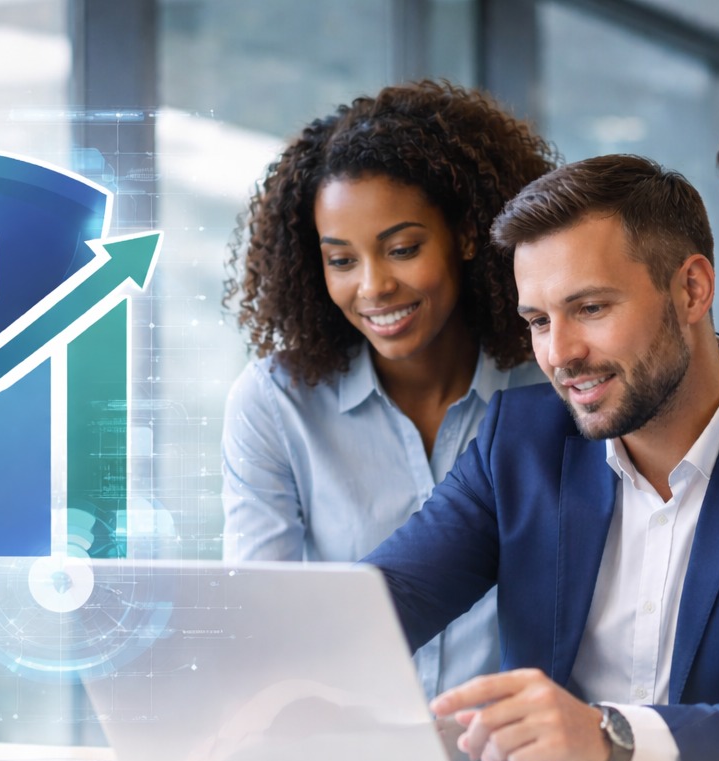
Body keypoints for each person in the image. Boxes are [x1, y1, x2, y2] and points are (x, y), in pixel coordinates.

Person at [364, 155, 719, 761]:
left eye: (591, 308)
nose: (559, 354)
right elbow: (386, 599)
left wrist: (607, 738)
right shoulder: (517, 442)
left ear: (691, 289)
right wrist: (278, 685)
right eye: (539, 322)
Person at [221, 81, 554, 700]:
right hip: (342, 754)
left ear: (467, 234)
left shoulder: (553, 390)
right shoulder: (277, 403)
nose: (373, 287)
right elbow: (259, 616)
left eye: (402, 249)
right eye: (341, 260)